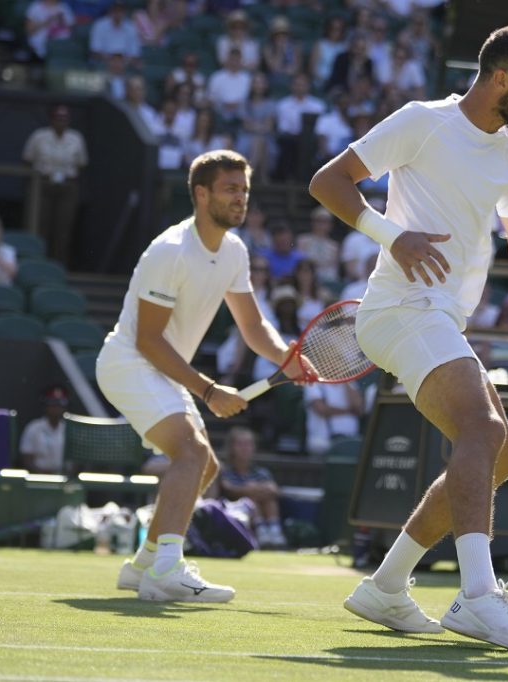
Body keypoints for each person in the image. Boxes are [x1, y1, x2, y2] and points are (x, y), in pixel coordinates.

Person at [308, 25, 508, 653]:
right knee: (483, 433)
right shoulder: (422, 121)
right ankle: (480, 599)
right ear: (500, 79)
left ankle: (386, 586)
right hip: (400, 307)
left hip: (440, 318)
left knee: (498, 458)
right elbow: (328, 181)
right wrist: (391, 235)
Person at [97, 150, 308, 603]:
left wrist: (285, 357)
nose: (241, 198)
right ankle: (168, 570)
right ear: (201, 193)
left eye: (244, 190)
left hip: (162, 368)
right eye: (231, 188)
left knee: (204, 465)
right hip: (129, 362)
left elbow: (252, 327)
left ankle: (143, 566)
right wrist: (209, 390)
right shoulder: (170, 252)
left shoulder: (234, 250)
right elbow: (149, 341)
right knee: (191, 454)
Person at [21, 104, 88, 265]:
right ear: (51, 119)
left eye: (64, 118)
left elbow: (82, 163)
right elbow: (27, 159)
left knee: (63, 228)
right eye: (58, 117)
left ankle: (58, 265)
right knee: (39, 225)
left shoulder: (76, 138)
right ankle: (35, 263)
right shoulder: (39, 136)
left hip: (66, 186)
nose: (61, 121)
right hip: (42, 185)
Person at [218, 426, 286, 549]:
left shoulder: (261, 472)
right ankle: (261, 531)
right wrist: (250, 490)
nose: (245, 448)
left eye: (248, 444)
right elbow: (229, 490)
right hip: (235, 514)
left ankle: (273, 530)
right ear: (231, 447)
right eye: (240, 444)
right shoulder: (224, 471)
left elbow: (274, 491)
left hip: (262, 507)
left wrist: (252, 489)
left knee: (269, 499)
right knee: (250, 499)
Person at [19, 385, 69, 474]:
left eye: (60, 403)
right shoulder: (33, 427)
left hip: (63, 479)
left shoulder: (69, 429)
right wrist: (42, 475)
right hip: (38, 478)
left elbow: (76, 462)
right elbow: (27, 458)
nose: (56, 407)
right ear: (46, 405)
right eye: (53, 403)